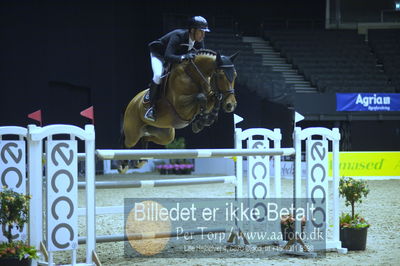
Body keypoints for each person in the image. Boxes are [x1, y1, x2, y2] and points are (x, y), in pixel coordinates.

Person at [144, 16, 210, 122]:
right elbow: (168, 56)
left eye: (204, 32)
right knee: (158, 75)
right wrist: (183, 57)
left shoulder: (199, 41)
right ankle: (151, 108)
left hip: (176, 57)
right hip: (159, 54)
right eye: (201, 31)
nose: (203, 35)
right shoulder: (178, 36)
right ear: (192, 30)